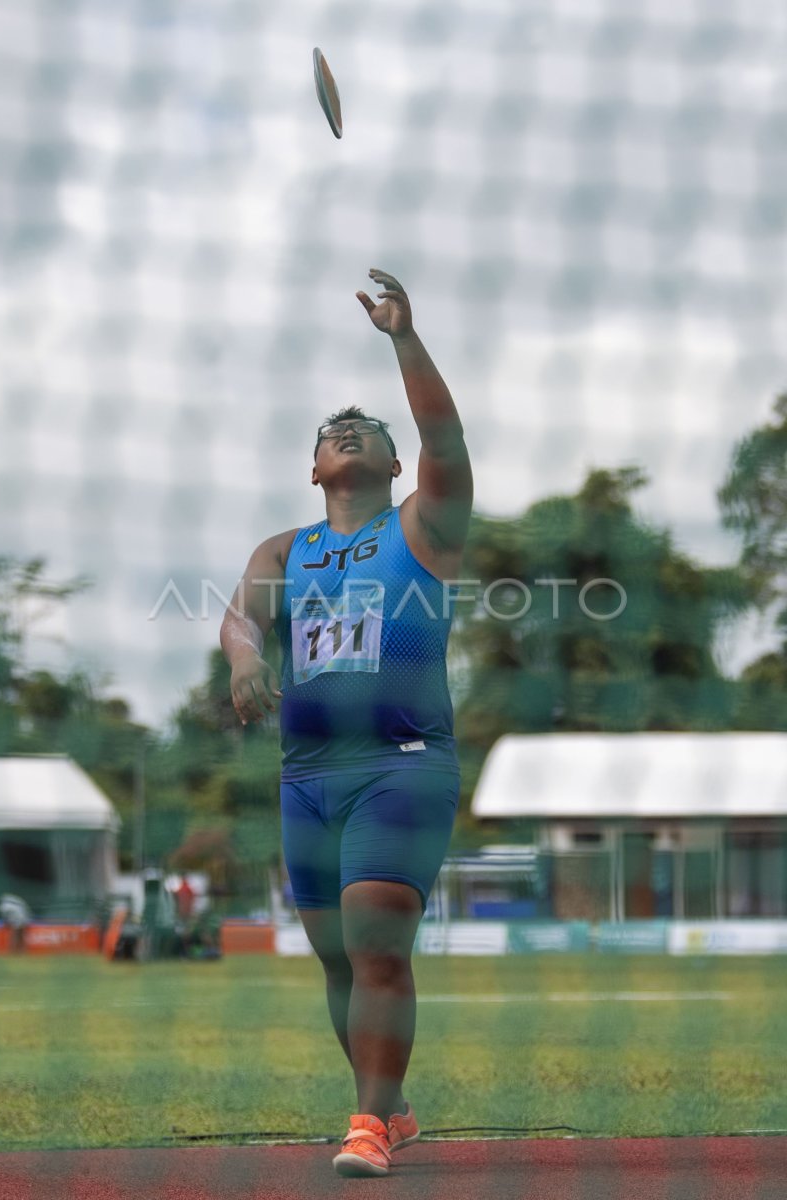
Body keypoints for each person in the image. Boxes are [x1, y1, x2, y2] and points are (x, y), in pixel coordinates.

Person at [220, 268, 473, 1177]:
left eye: (365, 430)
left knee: (373, 943)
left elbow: (444, 432)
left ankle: (365, 1126)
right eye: (331, 433)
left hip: (402, 763)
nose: (345, 430)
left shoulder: (425, 528)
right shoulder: (286, 549)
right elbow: (242, 615)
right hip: (308, 774)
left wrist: (404, 338)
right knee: (337, 960)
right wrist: (248, 657)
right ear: (315, 468)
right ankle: (393, 1107)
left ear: (395, 465)